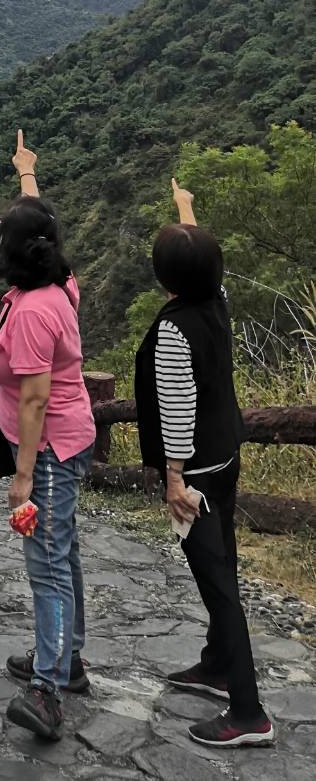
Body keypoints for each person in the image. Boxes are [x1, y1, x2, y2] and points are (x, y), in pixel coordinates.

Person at [134, 179, 275, 750]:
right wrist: (185, 206)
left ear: (164, 280)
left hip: (195, 473)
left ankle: (248, 713)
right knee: (225, 564)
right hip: (225, 456)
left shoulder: (172, 329)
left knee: (219, 586)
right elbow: (200, 257)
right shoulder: (215, 303)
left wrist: (173, 480)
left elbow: (176, 410)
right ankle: (217, 663)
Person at [0, 131, 95, 742]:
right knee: (65, 554)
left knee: (47, 564)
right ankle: (67, 656)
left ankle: (49, 689)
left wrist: (23, 478)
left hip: (48, 452)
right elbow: (42, 225)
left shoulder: (31, 312)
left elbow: (33, 397)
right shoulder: (59, 286)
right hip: (68, 439)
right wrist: (27, 173)